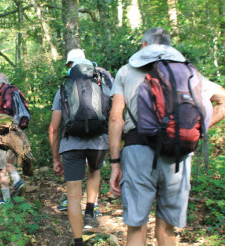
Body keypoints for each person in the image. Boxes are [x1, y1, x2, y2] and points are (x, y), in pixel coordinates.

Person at [108, 27, 225, 245]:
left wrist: (115, 163)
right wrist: (196, 127)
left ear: (144, 46)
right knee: (167, 228)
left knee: (136, 226)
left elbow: (116, 118)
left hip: (137, 152)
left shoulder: (126, 71)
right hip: (177, 155)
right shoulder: (188, 72)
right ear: (170, 48)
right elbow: (226, 100)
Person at [49, 48, 112, 245]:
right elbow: (113, 113)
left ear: (70, 66)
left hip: (71, 146)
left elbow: (53, 128)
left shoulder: (64, 88)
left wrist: (56, 159)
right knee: (94, 170)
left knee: (73, 197)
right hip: (98, 142)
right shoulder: (102, 82)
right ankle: (91, 211)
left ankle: (78, 241)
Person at [0, 73, 27, 204]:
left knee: (0, 168)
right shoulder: (16, 90)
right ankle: (17, 180)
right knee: (8, 163)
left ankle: (6, 200)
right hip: (16, 131)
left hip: (1, 133)